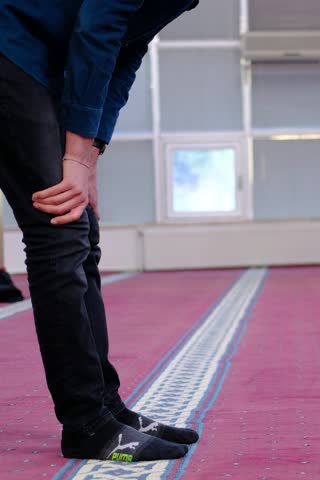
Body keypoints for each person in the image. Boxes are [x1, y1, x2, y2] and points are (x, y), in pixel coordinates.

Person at [0, 0, 201, 462]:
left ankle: (106, 407)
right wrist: (74, 154)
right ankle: (86, 423)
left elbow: (127, 50)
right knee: (58, 230)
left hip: (41, 59)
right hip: (11, 48)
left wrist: (88, 155)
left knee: (80, 232)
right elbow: (97, 32)